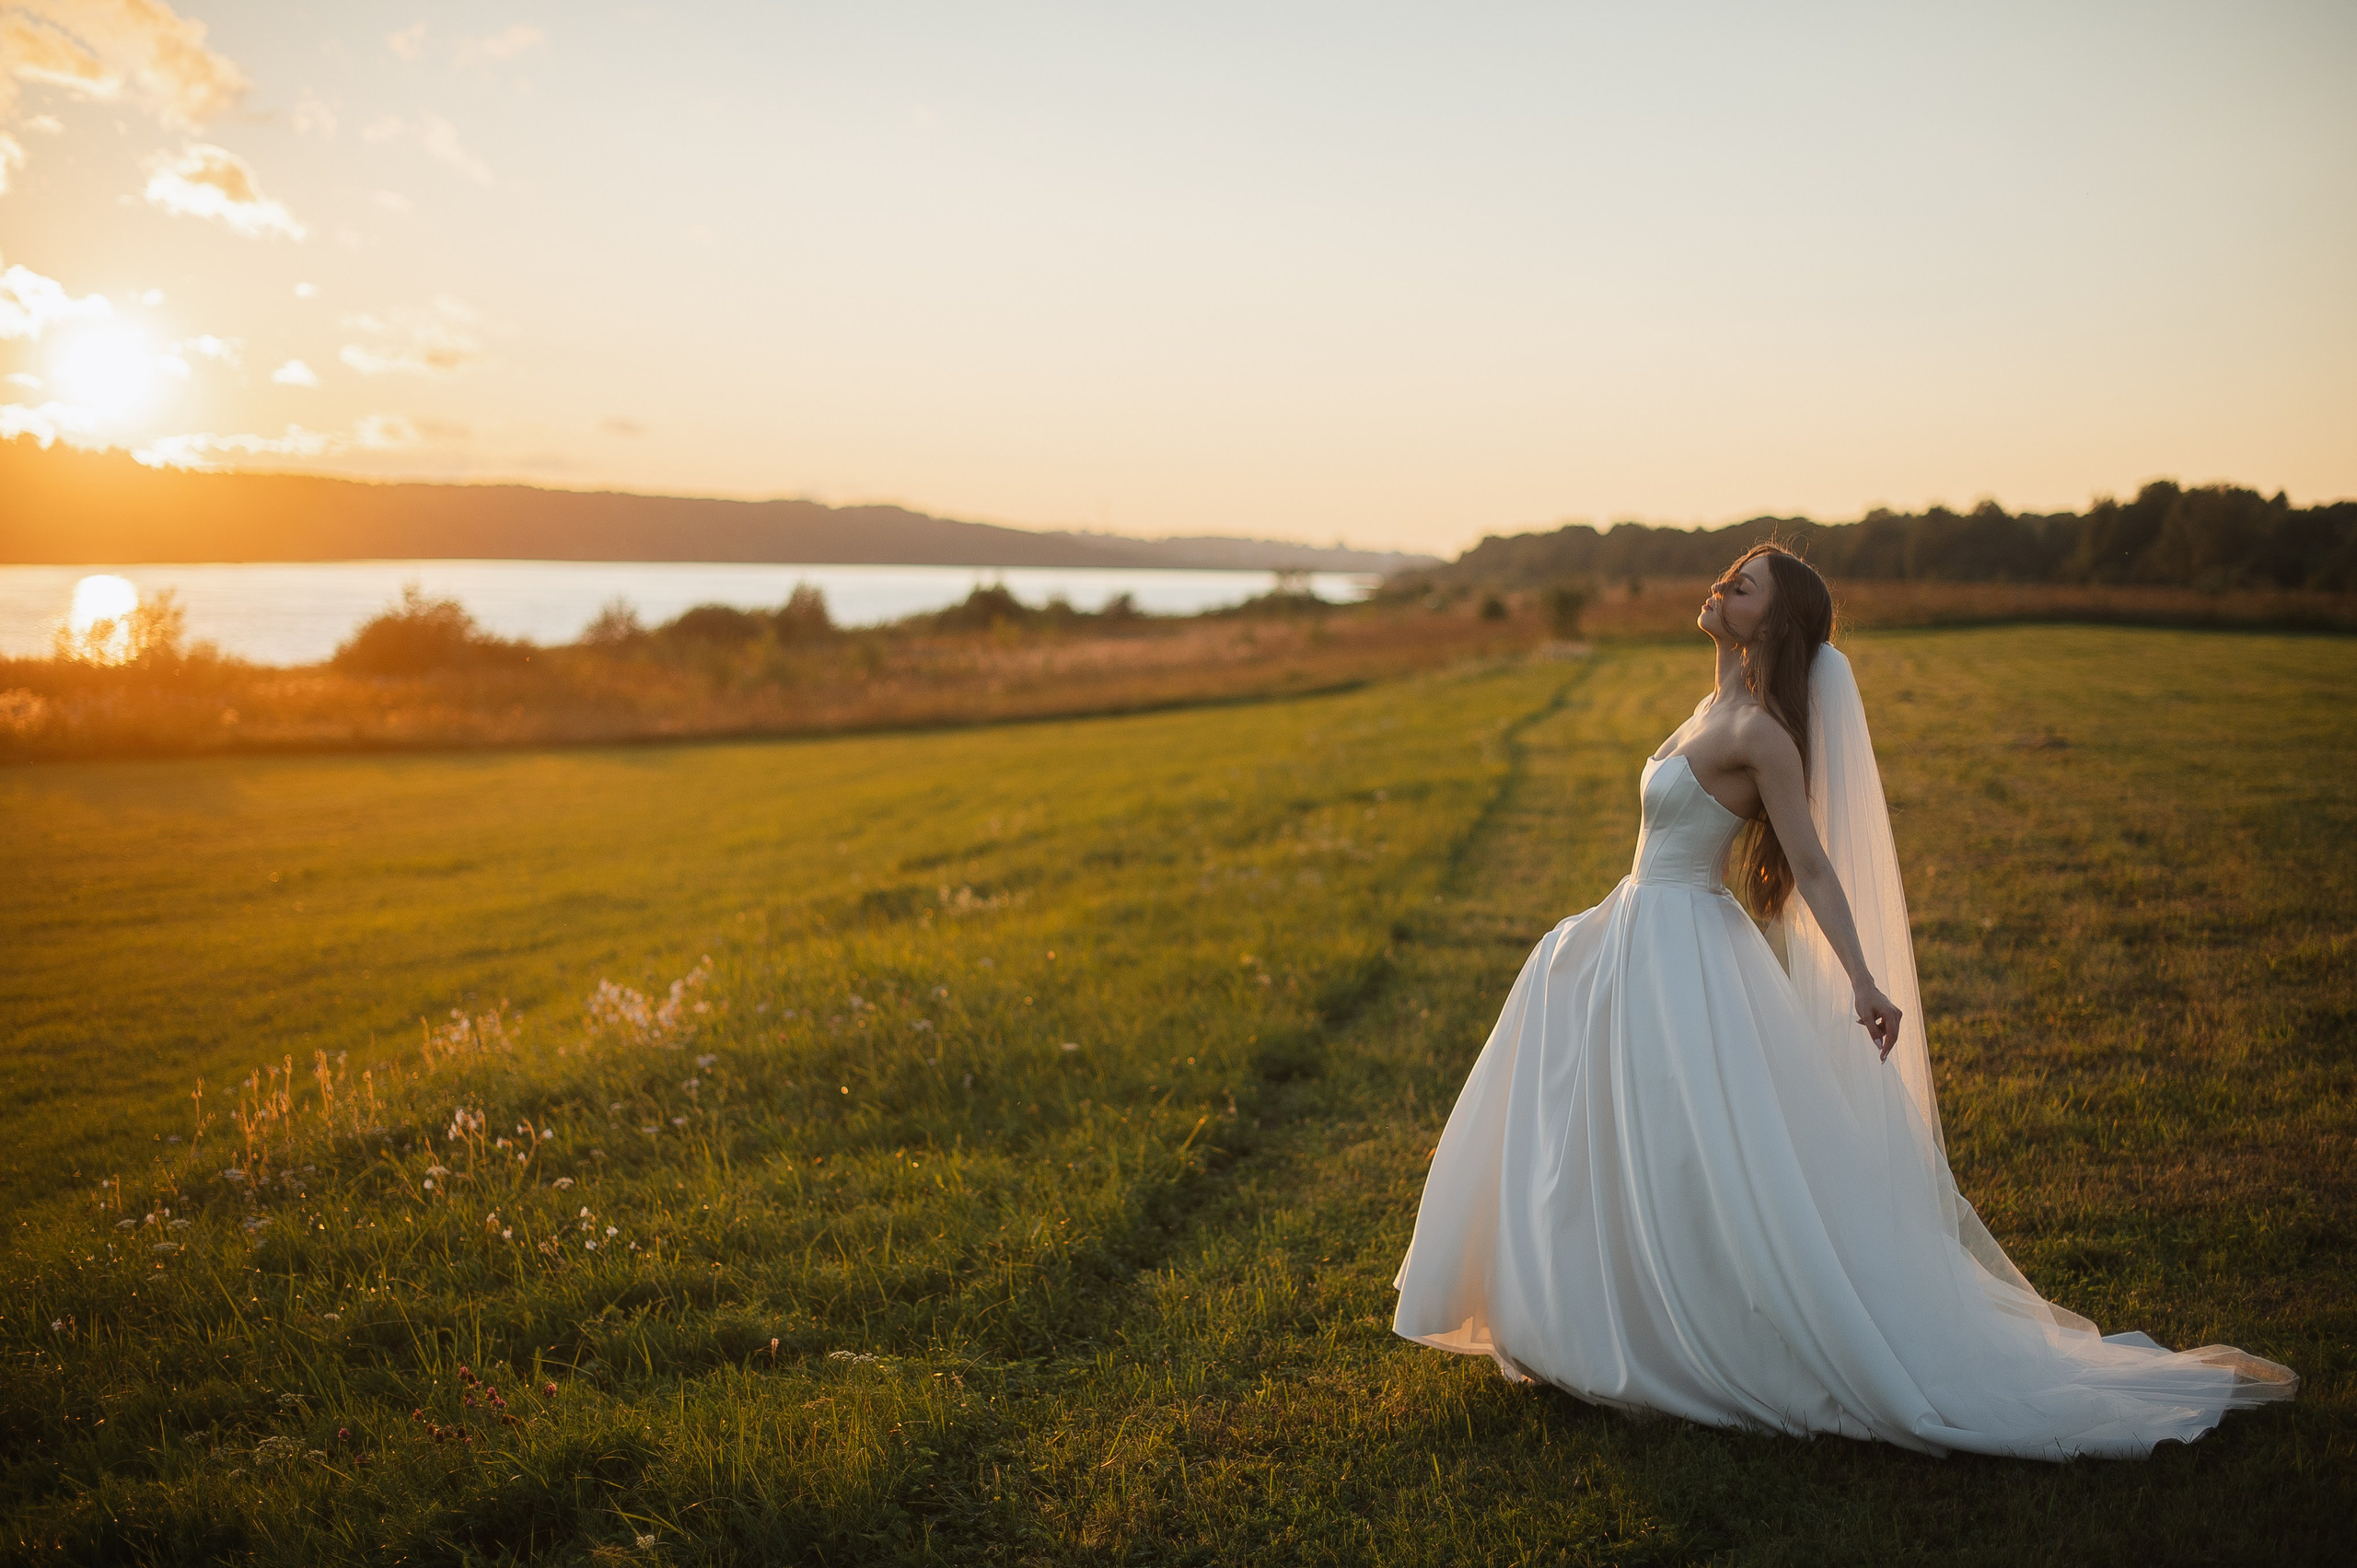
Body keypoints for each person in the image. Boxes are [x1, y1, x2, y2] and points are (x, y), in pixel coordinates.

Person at [1390, 543, 2296, 1459]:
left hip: (1683, 943)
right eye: (1727, 574)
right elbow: (1709, 716)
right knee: (1623, 1129)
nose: (1720, 587)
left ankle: (1679, 1319)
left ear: (1776, 624)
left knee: (1687, 1137)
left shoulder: (1762, 738)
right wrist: (1719, 643)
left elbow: (1812, 861)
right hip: (1634, 930)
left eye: (1741, 587)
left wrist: (1863, 979)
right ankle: (1598, 1308)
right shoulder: (1718, 702)